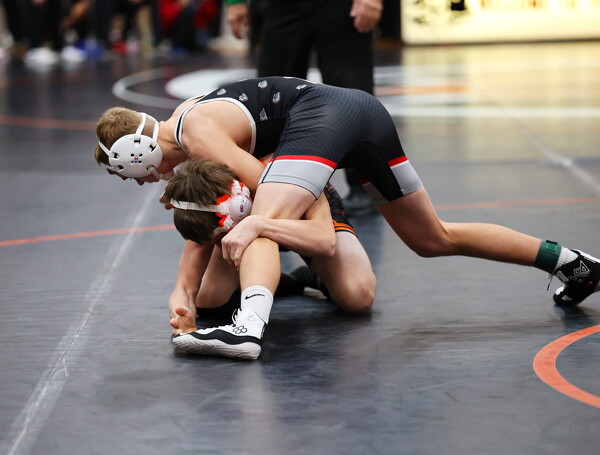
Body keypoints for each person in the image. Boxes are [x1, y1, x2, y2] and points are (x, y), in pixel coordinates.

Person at [94, 76, 600, 360]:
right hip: (359, 115)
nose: (139, 183)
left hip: (323, 121)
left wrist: (287, 225)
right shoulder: (189, 125)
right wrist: (184, 295)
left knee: (255, 220)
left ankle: (247, 328)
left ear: (135, 153)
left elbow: (260, 188)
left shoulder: (195, 133)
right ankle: (573, 263)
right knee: (431, 237)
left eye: (129, 174)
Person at [161, 158, 375, 339]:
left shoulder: (288, 176)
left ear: (237, 208)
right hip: (248, 220)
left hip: (309, 218)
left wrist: (259, 225)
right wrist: (182, 317)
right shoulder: (206, 205)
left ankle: (315, 277)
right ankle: (273, 282)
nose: (219, 244)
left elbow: (324, 241)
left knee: (358, 298)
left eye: (220, 237)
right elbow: (185, 288)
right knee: (208, 299)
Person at [226, 0, 383, 215]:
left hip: (342, 7)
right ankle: (273, 186)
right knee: (271, 96)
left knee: (351, 91)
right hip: (282, 6)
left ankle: (363, 186)